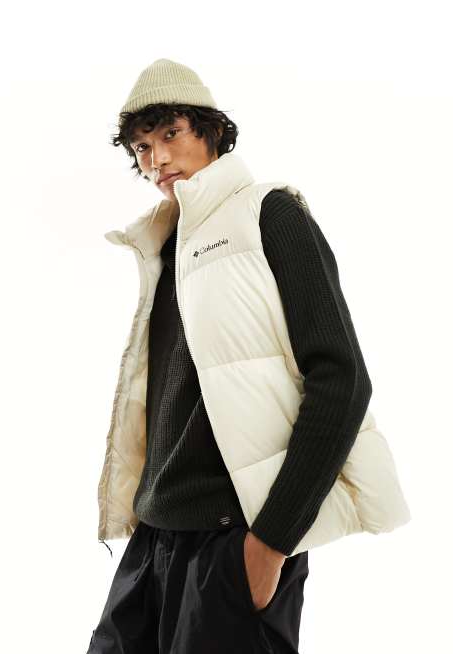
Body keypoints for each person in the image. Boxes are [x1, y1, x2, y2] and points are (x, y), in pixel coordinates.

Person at [86, 58, 374, 654]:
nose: (157, 159)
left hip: (233, 540)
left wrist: (271, 542)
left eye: (171, 133)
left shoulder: (271, 215)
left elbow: (342, 380)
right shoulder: (166, 242)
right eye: (142, 147)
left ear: (212, 130)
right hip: (154, 535)